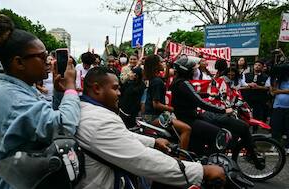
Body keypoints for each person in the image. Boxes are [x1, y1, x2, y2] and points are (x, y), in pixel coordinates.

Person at [75, 66, 225, 189]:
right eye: (115, 89)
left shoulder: (86, 110)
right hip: (108, 182)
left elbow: (121, 136)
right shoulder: (99, 120)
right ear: (96, 89)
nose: (119, 93)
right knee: (186, 129)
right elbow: (142, 159)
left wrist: (153, 142)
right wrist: (201, 171)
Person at [0, 15, 80, 188]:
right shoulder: (8, 95)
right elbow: (64, 125)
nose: (49, 61)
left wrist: (59, 91)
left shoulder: (21, 88)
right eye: (41, 57)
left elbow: (46, 118)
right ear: (19, 62)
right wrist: (71, 87)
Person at [143, 55, 191, 152]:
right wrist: (174, 109)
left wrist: (168, 66)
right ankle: (182, 159)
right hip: (152, 117)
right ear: (155, 66)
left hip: (149, 115)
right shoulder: (157, 81)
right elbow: (156, 105)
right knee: (186, 129)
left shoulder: (155, 79)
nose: (163, 64)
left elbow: (164, 78)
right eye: (161, 63)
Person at [241, 60, 270, 132]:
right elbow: (242, 84)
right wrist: (249, 84)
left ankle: (255, 130)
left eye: (259, 65)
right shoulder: (246, 75)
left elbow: (267, 87)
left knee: (256, 115)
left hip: (259, 99)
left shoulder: (266, 77)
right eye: (255, 65)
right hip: (247, 97)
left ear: (262, 67)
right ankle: (244, 130)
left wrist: (258, 87)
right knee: (245, 114)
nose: (257, 66)